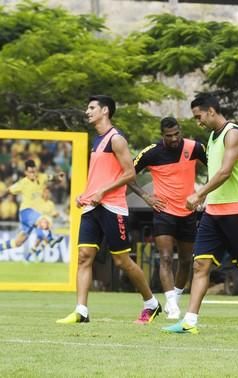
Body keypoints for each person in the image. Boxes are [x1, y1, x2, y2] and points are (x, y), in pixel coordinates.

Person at [162, 94, 238, 336]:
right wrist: (206, 199)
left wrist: (198, 194)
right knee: (201, 265)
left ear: (211, 111)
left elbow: (224, 172)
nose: (197, 121)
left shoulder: (233, 133)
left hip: (237, 212)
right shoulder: (212, 137)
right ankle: (190, 321)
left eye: (198, 116)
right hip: (213, 213)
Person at [57, 95, 161, 325]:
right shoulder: (97, 140)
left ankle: (151, 304)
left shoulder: (117, 139)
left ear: (105, 111)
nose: (87, 111)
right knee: (84, 257)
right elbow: (100, 175)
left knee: (122, 261)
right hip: (91, 207)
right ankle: (81, 311)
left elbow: (129, 174)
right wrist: (84, 195)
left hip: (113, 207)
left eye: (92, 108)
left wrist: (102, 191)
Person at [129, 117, 207, 320]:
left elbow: (216, 168)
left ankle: (175, 299)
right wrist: (146, 196)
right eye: (169, 136)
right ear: (162, 135)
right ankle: (170, 303)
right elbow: (127, 174)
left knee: (185, 260)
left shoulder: (195, 147)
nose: (174, 139)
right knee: (165, 257)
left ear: (180, 131)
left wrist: (202, 195)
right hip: (163, 212)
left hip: (188, 212)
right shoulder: (151, 152)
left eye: (176, 134)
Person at [0, 160, 62, 257]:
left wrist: (58, 177)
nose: (33, 174)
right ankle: (50, 240)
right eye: (30, 172)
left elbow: (52, 178)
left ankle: (1, 247)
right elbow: (8, 190)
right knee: (44, 219)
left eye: (34, 171)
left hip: (35, 215)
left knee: (19, 242)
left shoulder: (42, 177)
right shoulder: (22, 183)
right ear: (25, 172)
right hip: (26, 212)